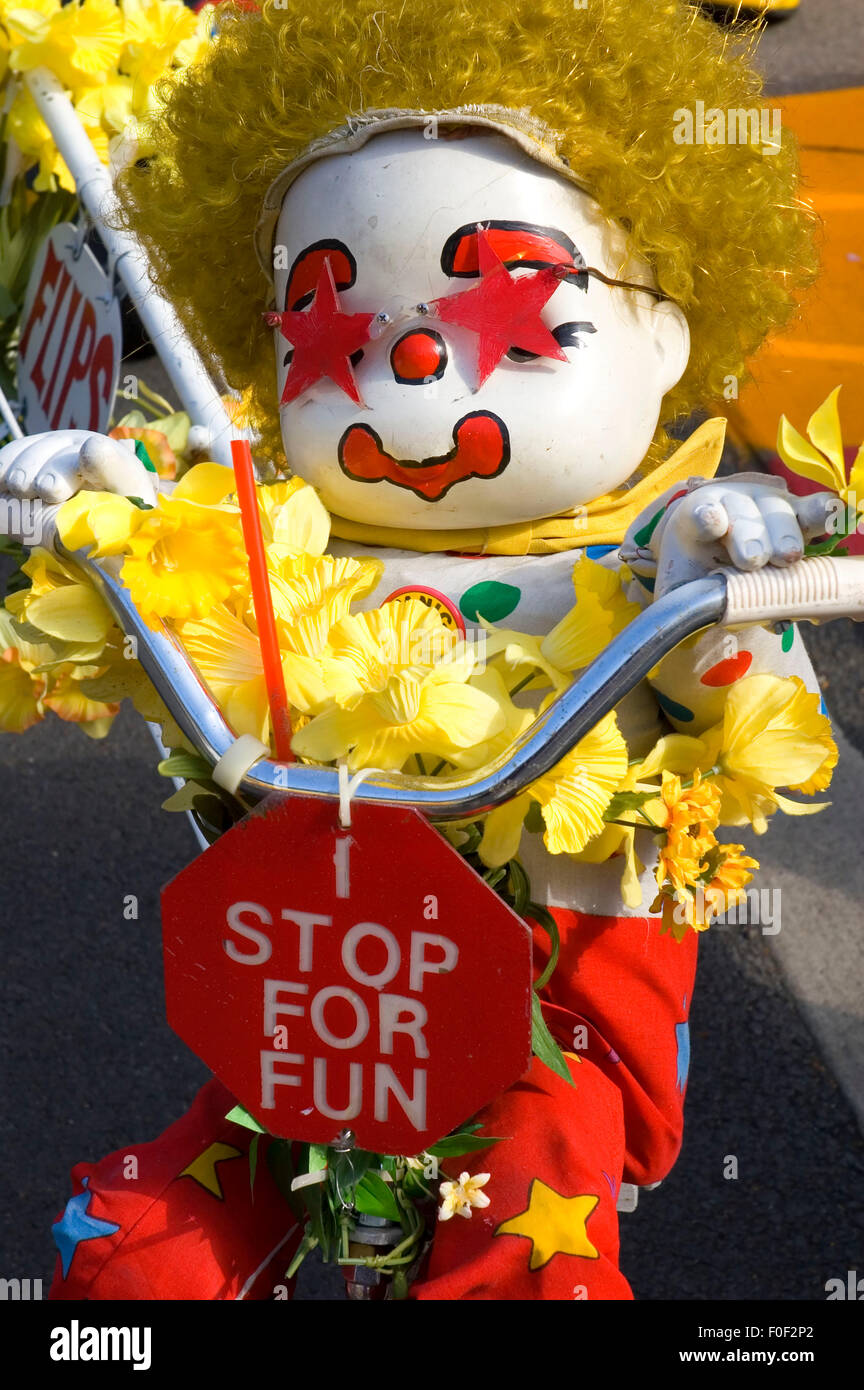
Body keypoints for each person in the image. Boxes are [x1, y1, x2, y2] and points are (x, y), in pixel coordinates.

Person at [0, 0, 835, 1299]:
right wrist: (108, 504)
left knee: (528, 1243)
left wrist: (720, 583)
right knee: (135, 1258)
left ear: (664, 332)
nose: (418, 387)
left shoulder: (655, 549)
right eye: (333, 329)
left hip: (549, 1028)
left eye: (512, 316)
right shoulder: (280, 529)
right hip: (326, 1004)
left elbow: (750, 719)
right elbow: (176, 591)